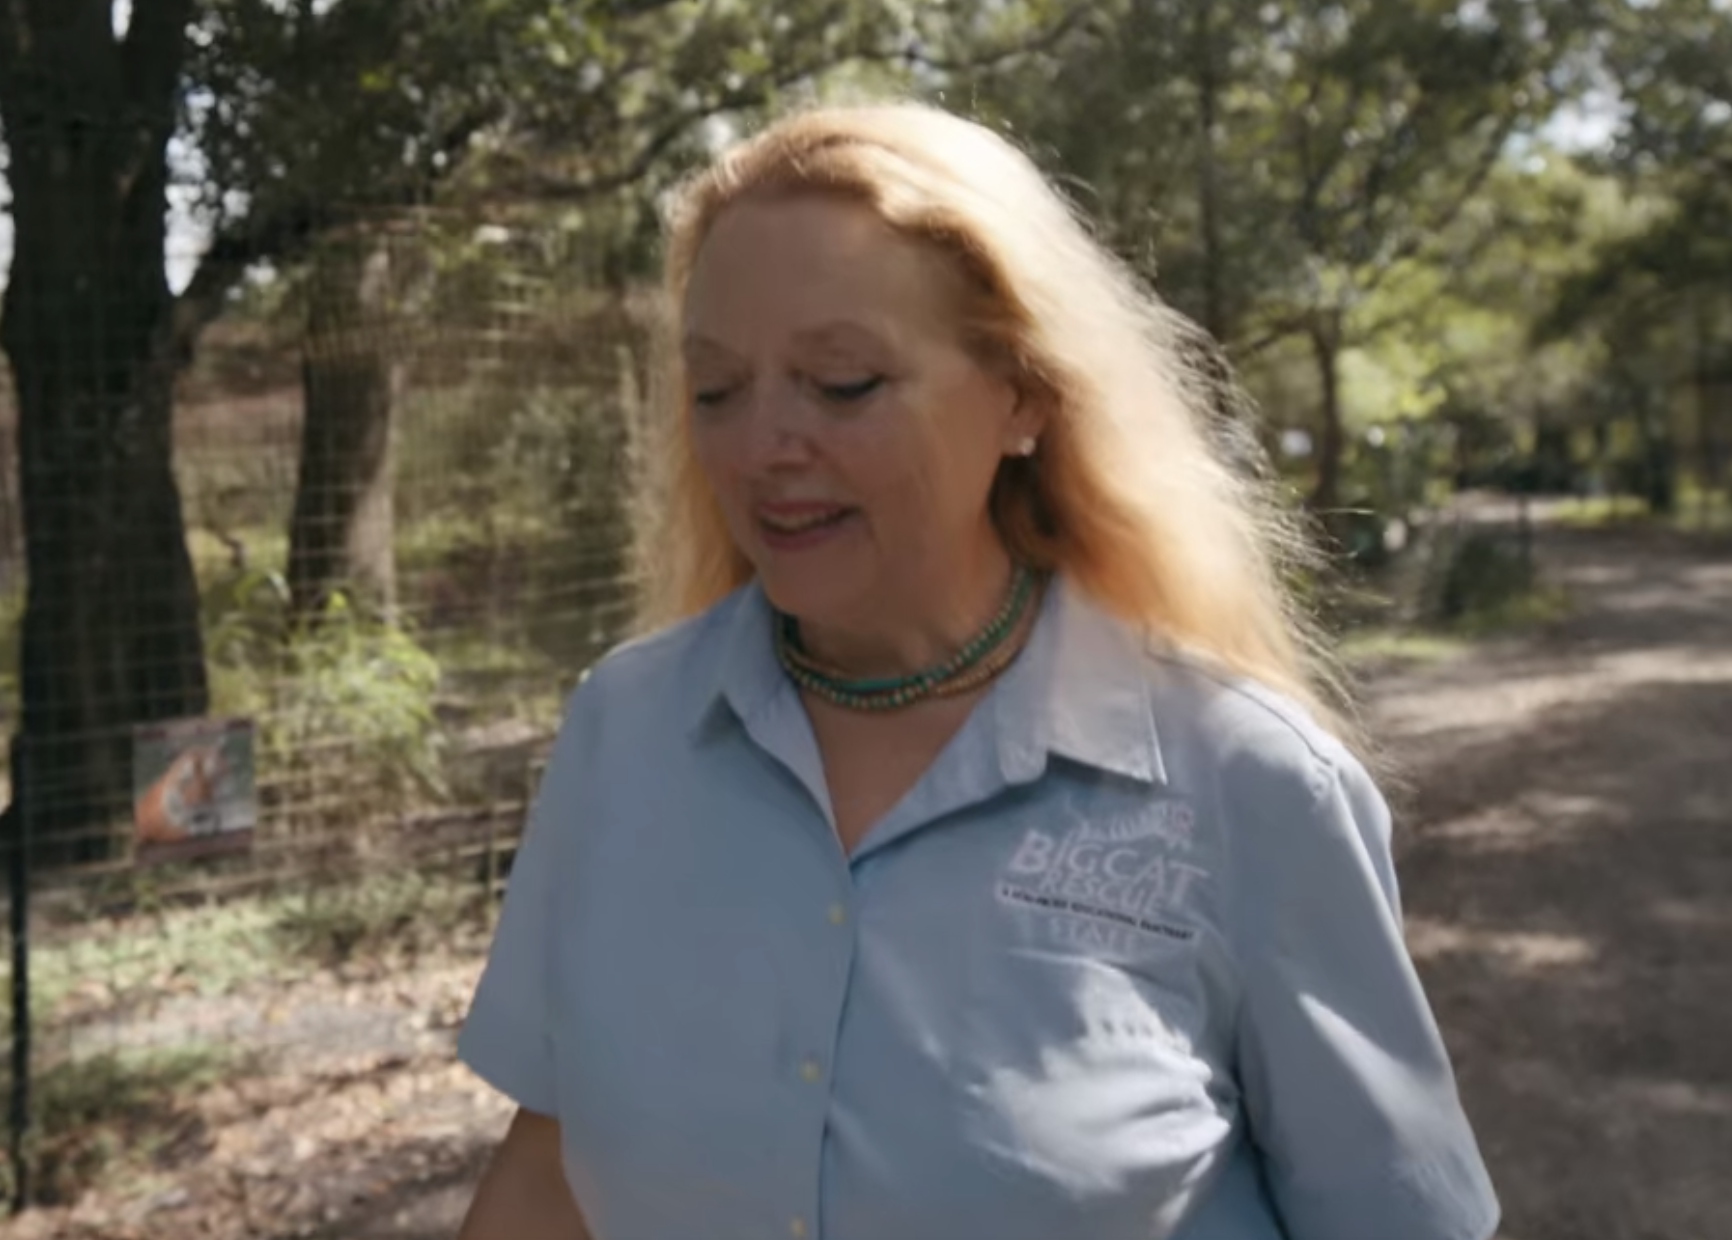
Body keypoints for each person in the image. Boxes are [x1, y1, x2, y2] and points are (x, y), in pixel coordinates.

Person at [454, 99, 1499, 1240]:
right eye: (716, 388)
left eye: (842, 382)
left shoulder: (1246, 781)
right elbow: (551, 1171)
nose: (759, 448)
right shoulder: (626, 729)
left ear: (1024, 393)